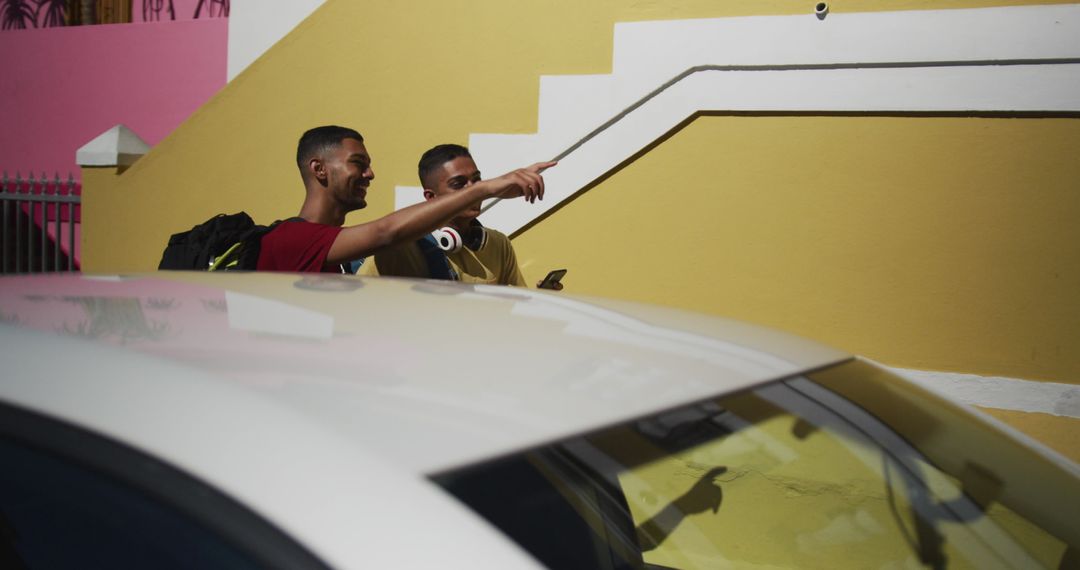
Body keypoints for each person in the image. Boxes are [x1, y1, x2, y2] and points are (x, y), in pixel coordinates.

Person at [257, 127, 552, 273]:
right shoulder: (290, 238)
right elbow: (387, 233)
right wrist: (484, 189)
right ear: (319, 169)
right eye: (358, 163)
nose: (370, 174)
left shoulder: (328, 249)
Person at [359, 144, 542, 287]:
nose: (473, 190)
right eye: (458, 184)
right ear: (431, 197)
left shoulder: (499, 243)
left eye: (477, 181)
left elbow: (517, 306)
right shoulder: (401, 248)